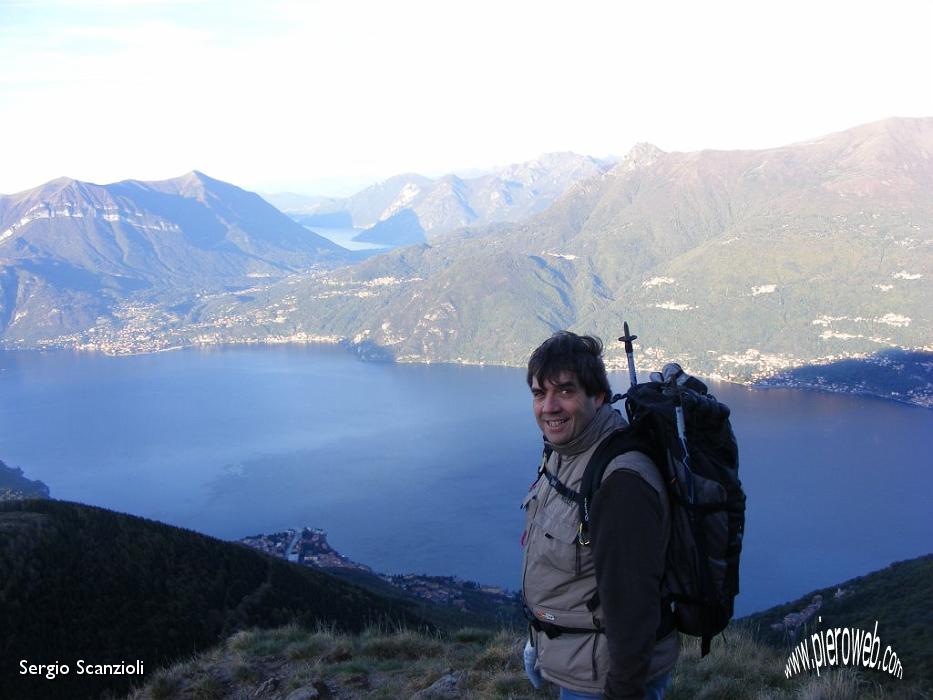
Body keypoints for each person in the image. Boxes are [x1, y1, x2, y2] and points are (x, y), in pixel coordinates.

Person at [520, 331, 678, 700]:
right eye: (540, 393)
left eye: (565, 391)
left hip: (604, 679)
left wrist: (622, 693)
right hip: (578, 660)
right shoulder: (566, 454)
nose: (549, 407)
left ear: (599, 396)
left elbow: (634, 611)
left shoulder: (620, 483)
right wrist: (538, 637)